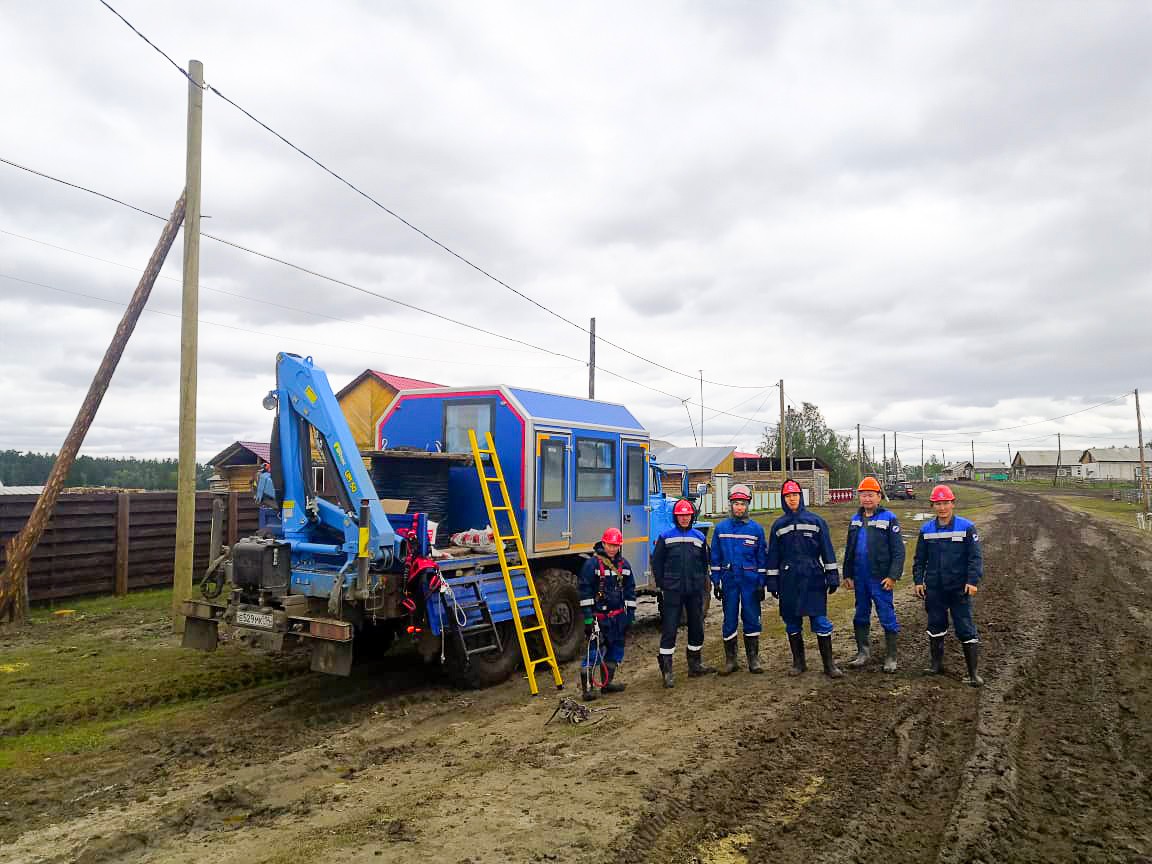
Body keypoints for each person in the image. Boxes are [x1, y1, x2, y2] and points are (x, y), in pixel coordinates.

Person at [765, 479, 842, 678]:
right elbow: (773, 555)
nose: (792, 499)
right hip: (789, 579)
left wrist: (832, 575)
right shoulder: (778, 526)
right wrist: (772, 580)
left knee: (820, 620)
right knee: (792, 621)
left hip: (813, 577)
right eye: (788, 496)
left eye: (795, 495)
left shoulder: (816, 522)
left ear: (801, 496)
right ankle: (799, 663)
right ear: (783, 499)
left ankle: (829, 665)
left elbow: (827, 550)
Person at [912, 484, 985, 687]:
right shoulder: (926, 530)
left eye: (945, 503)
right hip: (935, 588)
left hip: (959, 588)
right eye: (938, 504)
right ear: (932, 505)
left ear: (952, 504)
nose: (942, 507)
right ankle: (936, 665)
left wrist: (972, 581)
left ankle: (973, 674)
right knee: (935, 625)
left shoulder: (966, 527)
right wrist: (918, 581)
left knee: (965, 627)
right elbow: (920, 559)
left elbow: (975, 558)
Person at [843, 476, 906, 672]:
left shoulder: (889, 518)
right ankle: (863, 652)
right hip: (859, 578)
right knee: (861, 615)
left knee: (886, 615)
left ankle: (891, 657)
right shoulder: (855, 520)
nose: (867, 499)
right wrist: (847, 574)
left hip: (880, 578)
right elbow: (849, 549)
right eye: (863, 495)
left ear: (879, 497)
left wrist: (893, 576)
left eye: (870, 495)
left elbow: (898, 551)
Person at [652, 498, 716, 688]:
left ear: (692, 516)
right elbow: (657, 563)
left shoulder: (699, 537)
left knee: (696, 626)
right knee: (670, 629)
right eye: (681, 515)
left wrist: (701, 583)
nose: (684, 519)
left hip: (694, 591)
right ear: (675, 516)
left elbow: (705, 563)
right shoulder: (665, 537)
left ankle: (695, 665)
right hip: (673, 591)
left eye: (687, 515)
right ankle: (667, 671)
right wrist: (664, 584)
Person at [710, 484, 768, 674]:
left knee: (752, 617)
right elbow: (715, 558)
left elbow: (762, 558)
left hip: (750, 582)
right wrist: (716, 581)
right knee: (729, 619)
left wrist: (761, 583)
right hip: (729, 581)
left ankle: (753, 659)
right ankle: (731, 660)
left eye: (742, 504)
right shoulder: (721, 529)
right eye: (736, 503)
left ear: (748, 505)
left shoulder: (756, 530)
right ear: (731, 505)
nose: (739, 507)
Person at [577, 527, 637, 701]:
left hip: (618, 618)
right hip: (599, 618)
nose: (612, 548)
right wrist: (588, 619)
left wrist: (630, 616)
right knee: (594, 652)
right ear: (603, 543)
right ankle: (587, 689)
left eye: (616, 545)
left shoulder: (624, 566)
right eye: (610, 545)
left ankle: (607, 684)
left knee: (616, 650)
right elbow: (585, 592)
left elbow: (630, 591)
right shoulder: (592, 565)